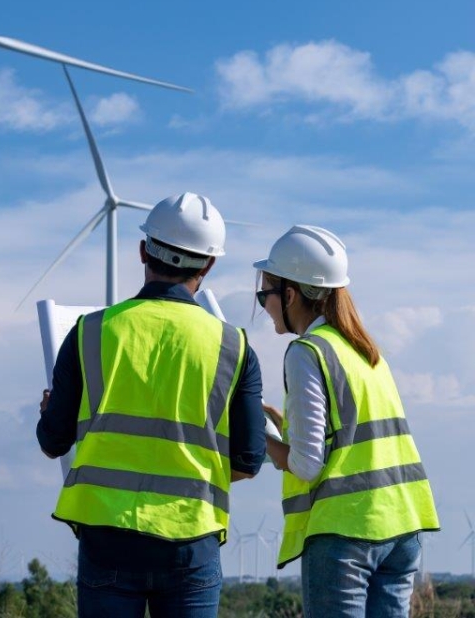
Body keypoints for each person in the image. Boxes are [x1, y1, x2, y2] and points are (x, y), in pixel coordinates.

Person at [37, 192, 265, 617]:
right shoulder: (234, 346)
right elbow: (248, 461)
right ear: (210, 264)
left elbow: (53, 441)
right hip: (190, 542)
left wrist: (49, 412)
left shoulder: (90, 332)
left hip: (108, 541)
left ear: (143, 250)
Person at [256, 225, 438, 617]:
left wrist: (258, 434)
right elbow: (350, 435)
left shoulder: (307, 352)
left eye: (264, 293)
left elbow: (307, 464)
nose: (264, 305)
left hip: (348, 532)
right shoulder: (367, 352)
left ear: (290, 294)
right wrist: (284, 425)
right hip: (402, 524)